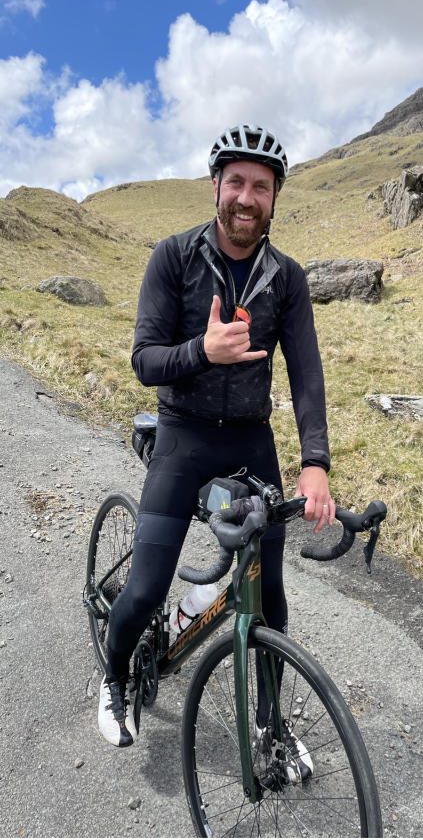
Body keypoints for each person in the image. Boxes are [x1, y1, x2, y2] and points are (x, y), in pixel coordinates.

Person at [98, 123, 333, 764]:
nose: (247, 197)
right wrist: (204, 350)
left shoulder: (286, 278)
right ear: (216, 187)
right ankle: (114, 678)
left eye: (261, 186)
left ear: (275, 197)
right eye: (237, 182)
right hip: (182, 432)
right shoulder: (173, 257)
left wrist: (315, 463)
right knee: (144, 591)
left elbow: (306, 373)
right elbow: (144, 360)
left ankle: (268, 725)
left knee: (269, 599)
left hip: (252, 441)